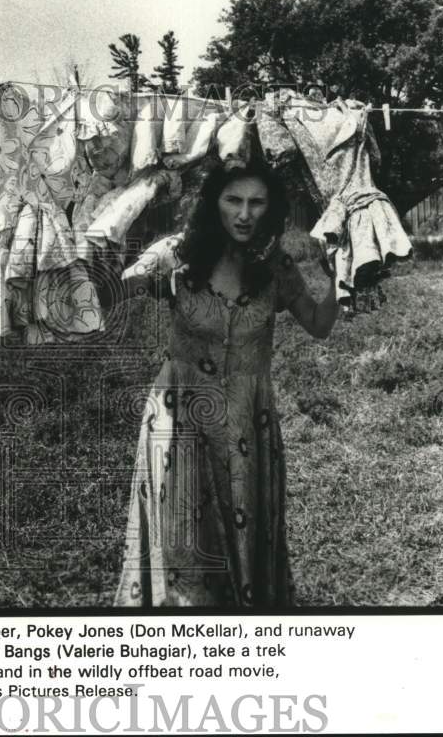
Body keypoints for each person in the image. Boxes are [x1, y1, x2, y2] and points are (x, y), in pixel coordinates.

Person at [113, 158, 338, 608]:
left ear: (270, 210)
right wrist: (121, 264)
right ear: (212, 203)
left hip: (246, 424)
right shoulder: (177, 254)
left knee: (247, 530)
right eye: (233, 199)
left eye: (257, 203)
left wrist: (337, 275)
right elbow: (115, 291)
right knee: (182, 540)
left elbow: (318, 323)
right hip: (180, 421)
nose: (244, 213)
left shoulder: (275, 266)